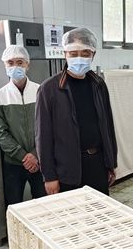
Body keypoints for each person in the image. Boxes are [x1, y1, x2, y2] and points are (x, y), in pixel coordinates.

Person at [35, 27, 117, 195]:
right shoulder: (49, 89)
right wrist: (49, 176)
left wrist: (111, 163)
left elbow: (108, 127)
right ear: (65, 54)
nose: (79, 58)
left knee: (98, 209)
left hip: (97, 164)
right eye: (73, 53)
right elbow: (43, 136)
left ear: (93, 54)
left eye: (85, 53)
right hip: (67, 170)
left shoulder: (98, 84)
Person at [0, 45, 46, 206]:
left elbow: (47, 128)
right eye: (10, 63)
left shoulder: (41, 91)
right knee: (14, 206)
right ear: (5, 65)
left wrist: (35, 155)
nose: (15, 66)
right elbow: (1, 134)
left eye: (20, 62)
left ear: (28, 64)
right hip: (13, 164)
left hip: (41, 161)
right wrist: (24, 156)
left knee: (44, 205)